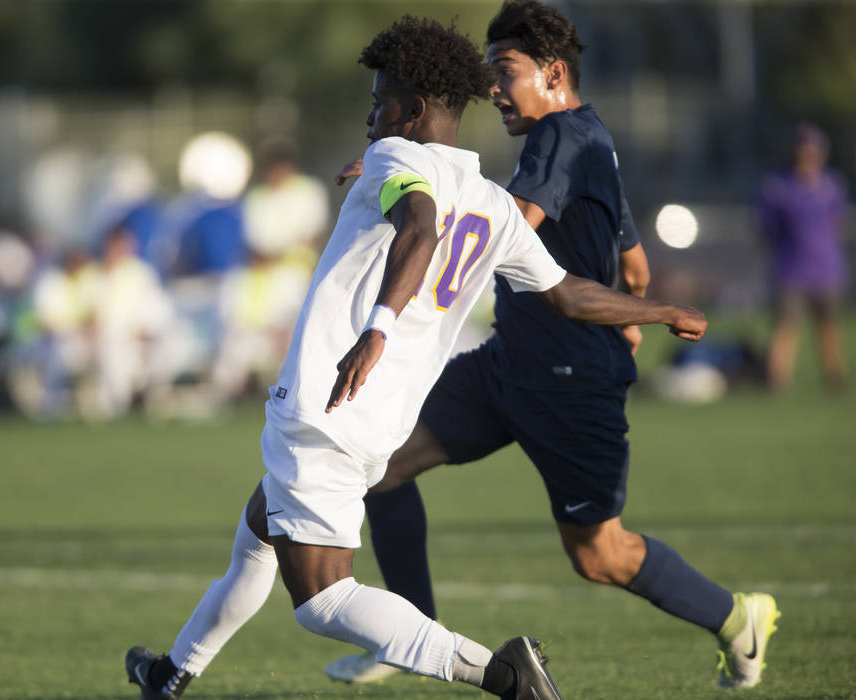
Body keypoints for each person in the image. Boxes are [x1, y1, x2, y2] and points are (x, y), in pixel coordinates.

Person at [124, 15, 707, 700]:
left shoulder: (396, 160)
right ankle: (172, 674)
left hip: (327, 403)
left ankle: (504, 672)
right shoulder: (493, 203)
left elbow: (421, 225)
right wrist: (662, 311)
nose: (372, 116)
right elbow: (568, 294)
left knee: (321, 601)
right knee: (258, 533)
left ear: (415, 108)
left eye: (380, 102)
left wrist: (376, 326)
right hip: (378, 423)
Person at [323, 0, 779, 691]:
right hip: (511, 365)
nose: (494, 90)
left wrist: (402, 175)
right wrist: (630, 314)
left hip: (570, 382)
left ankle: (736, 617)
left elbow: (509, 225)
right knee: (380, 469)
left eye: (505, 72)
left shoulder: (561, 138)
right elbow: (633, 262)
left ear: (554, 71)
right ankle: (407, 633)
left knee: (599, 556)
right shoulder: (591, 138)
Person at [757, 122, 849, 393]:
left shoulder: (832, 184)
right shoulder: (778, 185)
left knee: (829, 326)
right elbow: (765, 227)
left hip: (827, 268)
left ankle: (835, 378)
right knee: (786, 326)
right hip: (791, 269)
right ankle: (776, 380)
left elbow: (838, 222)